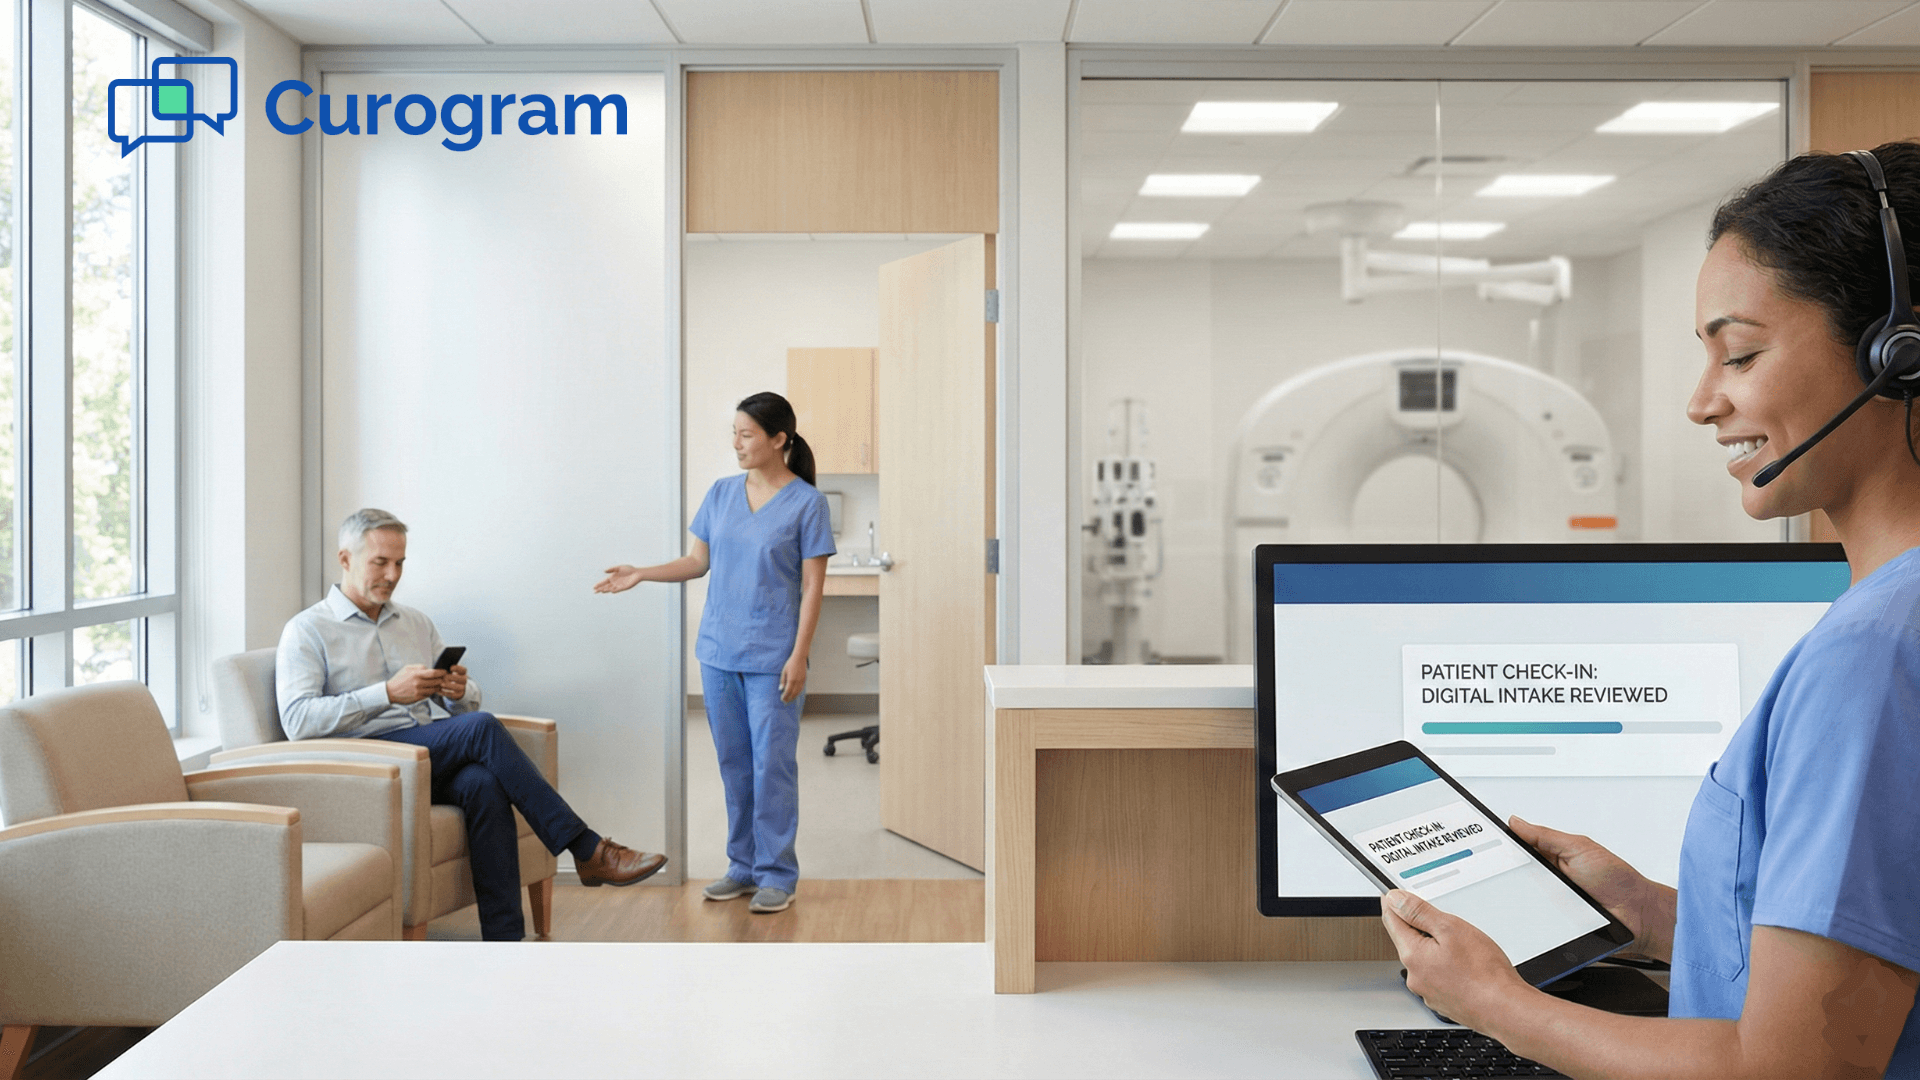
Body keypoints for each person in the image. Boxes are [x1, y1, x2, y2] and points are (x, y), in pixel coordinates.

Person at [1381, 144, 1920, 1077]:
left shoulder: (1874, 653)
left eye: (1739, 353)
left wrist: (1495, 1003)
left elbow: (1792, 1072)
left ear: (1897, 356)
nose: (1702, 403)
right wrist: (1650, 913)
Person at [278, 508, 667, 941]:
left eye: (400, 563)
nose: (392, 575)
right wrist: (386, 693)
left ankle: (505, 942)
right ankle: (587, 848)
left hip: (423, 759)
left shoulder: (415, 622)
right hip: (366, 766)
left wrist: (457, 692)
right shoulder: (307, 630)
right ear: (345, 559)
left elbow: (460, 707)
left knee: (483, 783)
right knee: (481, 729)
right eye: (380, 562)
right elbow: (297, 721)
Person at [597, 392, 834, 915]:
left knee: (772, 766)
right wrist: (641, 573)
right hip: (719, 652)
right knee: (734, 764)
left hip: (774, 657)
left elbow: (813, 588)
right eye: (734, 433)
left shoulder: (807, 504)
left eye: (747, 435)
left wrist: (799, 655)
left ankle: (777, 873)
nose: (737, 444)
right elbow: (696, 562)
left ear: (779, 439)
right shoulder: (722, 493)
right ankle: (742, 867)